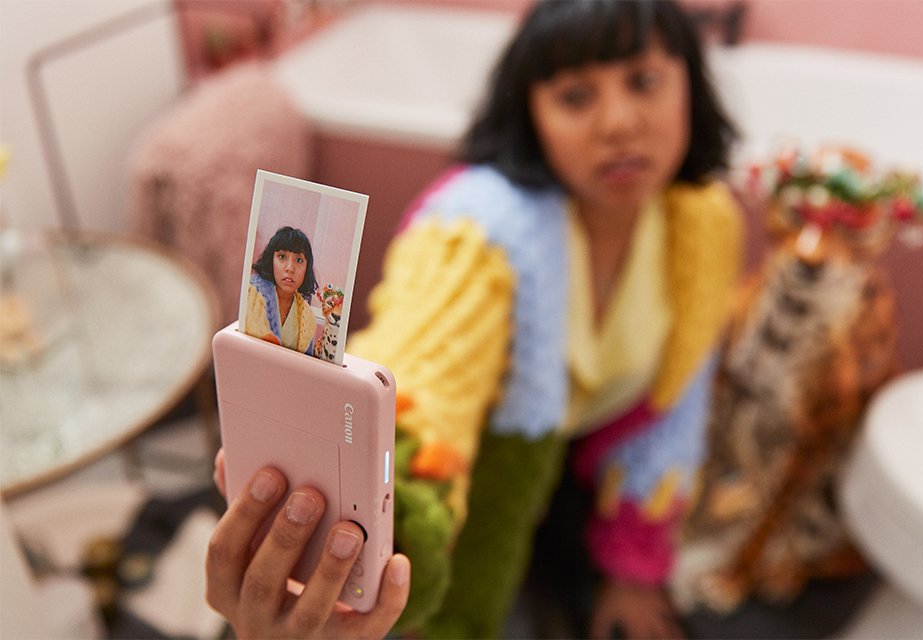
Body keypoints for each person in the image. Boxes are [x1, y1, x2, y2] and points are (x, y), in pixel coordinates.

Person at [205, 0, 743, 637]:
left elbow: (677, 398)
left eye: (644, 81)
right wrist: (381, 524)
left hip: (574, 480)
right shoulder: (477, 232)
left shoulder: (703, 220)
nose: (620, 123)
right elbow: (421, 380)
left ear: (690, 82)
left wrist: (632, 569)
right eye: (576, 96)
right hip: (479, 493)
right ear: (531, 114)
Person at [243, 226, 319, 356]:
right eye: (282, 257)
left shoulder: (309, 318)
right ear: (271, 259)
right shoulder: (251, 292)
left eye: (299, 260)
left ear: (307, 268)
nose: (290, 268)